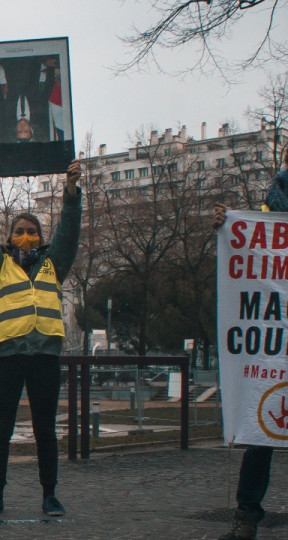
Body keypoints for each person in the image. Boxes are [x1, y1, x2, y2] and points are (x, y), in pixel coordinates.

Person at [0, 160, 82, 517]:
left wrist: (72, 193)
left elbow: (69, 234)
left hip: (45, 356)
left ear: (41, 238)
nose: (26, 236)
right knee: (0, 429)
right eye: (19, 230)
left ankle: (50, 495)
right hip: (7, 357)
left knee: (45, 430)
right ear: (9, 236)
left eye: (32, 231)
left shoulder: (53, 265)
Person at [214, 148, 288, 540]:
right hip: (276, 339)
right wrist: (227, 225)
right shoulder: (270, 207)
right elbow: (250, 251)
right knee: (262, 430)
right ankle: (247, 514)